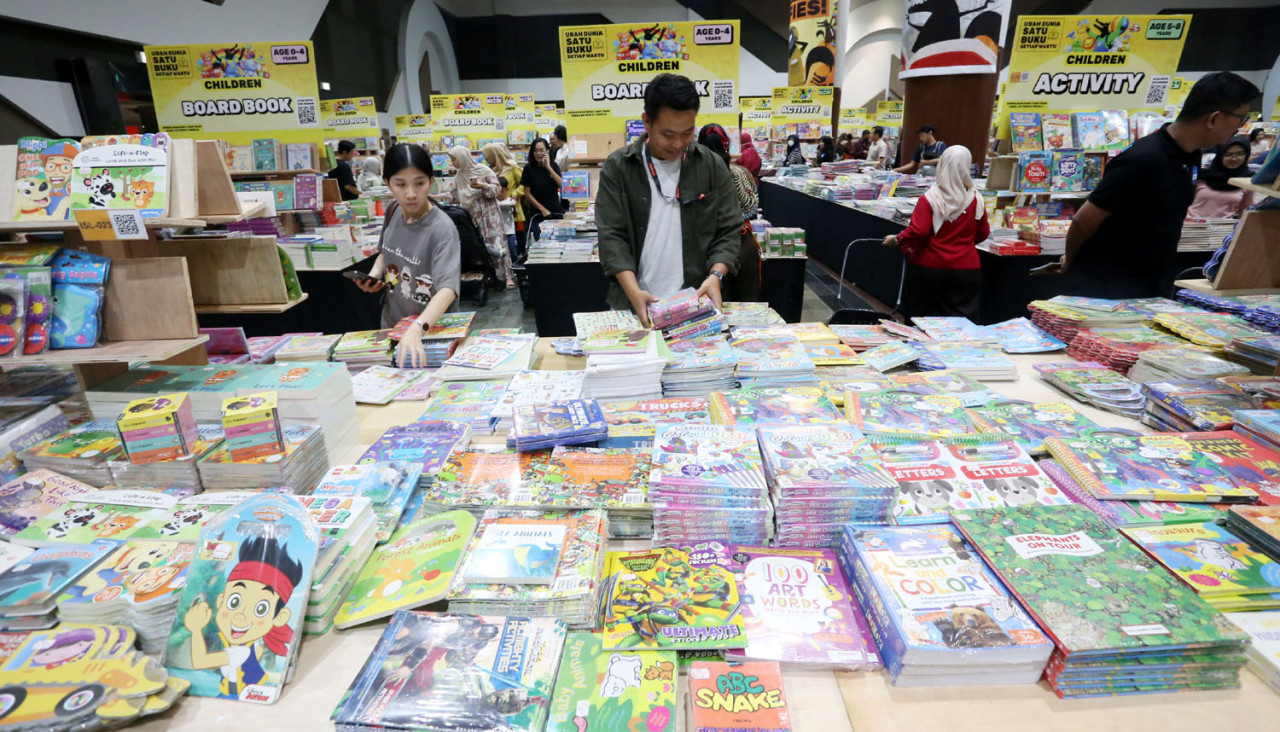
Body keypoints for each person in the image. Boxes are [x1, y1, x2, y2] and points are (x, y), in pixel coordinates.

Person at [1041, 71, 1260, 298]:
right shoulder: (1143, 158)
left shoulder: (1191, 155)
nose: (1240, 127)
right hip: (1106, 286)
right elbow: (1083, 220)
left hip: (1151, 283)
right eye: (1240, 118)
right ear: (1213, 118)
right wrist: (1071, 260)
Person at [596, 72, 741, 324]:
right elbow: (612, 236)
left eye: (687, 133)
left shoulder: (710, 165)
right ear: (646, 122)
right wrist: (633, 292)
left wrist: (716, 275)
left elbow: (729, 229)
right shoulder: (619, 167)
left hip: (695, 304)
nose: (678, 143)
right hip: (634, 305)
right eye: (668, 134)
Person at [353, 143, 460, 367]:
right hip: (394, 324)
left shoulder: (442, 227)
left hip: (431, 332)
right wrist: (373, 276)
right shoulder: (393, 211)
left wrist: (418, 328)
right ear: (388, 184)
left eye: (419, 183)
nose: (411, 194)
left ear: (431, 181)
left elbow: (448, 289)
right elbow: (385, 251)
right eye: (400, 184)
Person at [882, 146, 988, 320]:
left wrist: (897, 239)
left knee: (921, 320)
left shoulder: (930, 198)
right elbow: (983, 233)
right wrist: (962, 245)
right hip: (966, 269)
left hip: (928, 267)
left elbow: (919, 230)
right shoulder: (976, 199)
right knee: (960, 324)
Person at [699, 123, 760, 301]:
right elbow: (751, 206)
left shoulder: (695, 177)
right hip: (742, 244)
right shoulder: (740, 173)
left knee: (714, 307)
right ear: (726, 145)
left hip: (709, 250)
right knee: (747, 304)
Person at [449, 146, 512, 288]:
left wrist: (482, 185)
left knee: (497, 244)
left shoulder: (483, 170)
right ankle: (489, 278)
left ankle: (506, 276)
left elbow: (496, 190)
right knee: (482, 247)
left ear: (463, 157)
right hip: (473, 218)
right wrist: (433, 197)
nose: (453, 162)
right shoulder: (459, 176)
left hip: (489, 215)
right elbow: (453, 196)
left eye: (454, 159)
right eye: (452, 159)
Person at [1188, 137, 1254, 220]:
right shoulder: (1203, 176)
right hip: (1191, 224)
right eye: (1228, 154)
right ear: (1220, 155)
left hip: (1223, 228)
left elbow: (1244, 211)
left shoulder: (1246, 180)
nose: (1234, 158)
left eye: (1240, 154)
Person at [483, 142, 524, 258]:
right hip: (495, 211)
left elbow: (524, 184)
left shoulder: (513, 167)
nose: (486, 159)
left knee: (515, 242)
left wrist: (515, 193)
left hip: (513, 209)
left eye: (488, 157)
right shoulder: (488, 170)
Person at [521, 138, 563, 240]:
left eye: (541, 150)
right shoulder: (528, 168)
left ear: (547, 151)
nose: (538, 153)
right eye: (535, 150)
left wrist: (548, 167)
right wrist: (542, 209)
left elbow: (562, 185)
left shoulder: (553, 165)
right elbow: (527, 193)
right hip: (537, 214)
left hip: (555, 212)